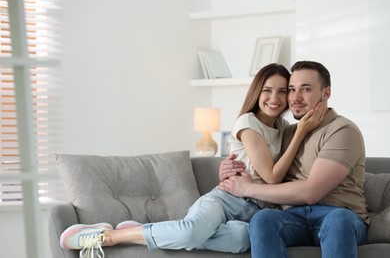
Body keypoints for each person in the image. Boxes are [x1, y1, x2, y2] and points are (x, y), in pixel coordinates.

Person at [59, 63, 325, 258]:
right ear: (257, 92)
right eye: (268, 90)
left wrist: (299, 130)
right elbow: (272, 176)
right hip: (227, 198)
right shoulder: (248, 122)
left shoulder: (284, 126)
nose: (275, 99)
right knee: (190, 233)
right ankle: (111, 236)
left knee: (243, 238)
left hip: (255, 211)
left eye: (282, 91)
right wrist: (301, 131)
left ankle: (146, 231)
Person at [218, 60, 369, 258]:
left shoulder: (342, 130)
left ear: (326, 93)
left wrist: (247, 188)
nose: (295, 98)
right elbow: (265, 167)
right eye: (291, 89)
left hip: (339, 215)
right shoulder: (287, 132)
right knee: (263, 219)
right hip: (294, 217)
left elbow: (312, 193)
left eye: (305, 89)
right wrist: (229, 168)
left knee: (339, 219)